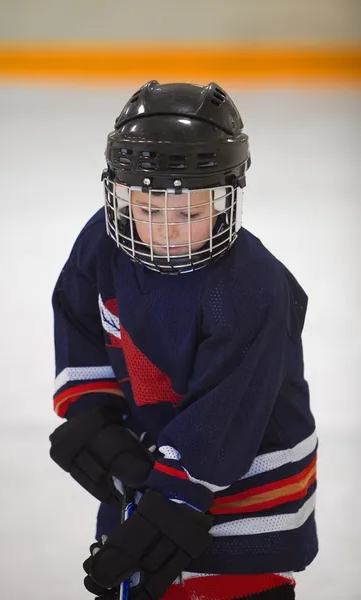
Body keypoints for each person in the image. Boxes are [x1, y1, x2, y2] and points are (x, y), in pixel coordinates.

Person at [49, 81, 318, 600]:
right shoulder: (102, 244)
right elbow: (78, 320)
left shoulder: (248, 286)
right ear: (119, 193)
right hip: (151, 473)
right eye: (148, 211)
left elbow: (230, 411)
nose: (166, 231)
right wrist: (93, 413)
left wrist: (173, 498)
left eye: (189, 214)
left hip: (249, 498)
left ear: (224, 199)